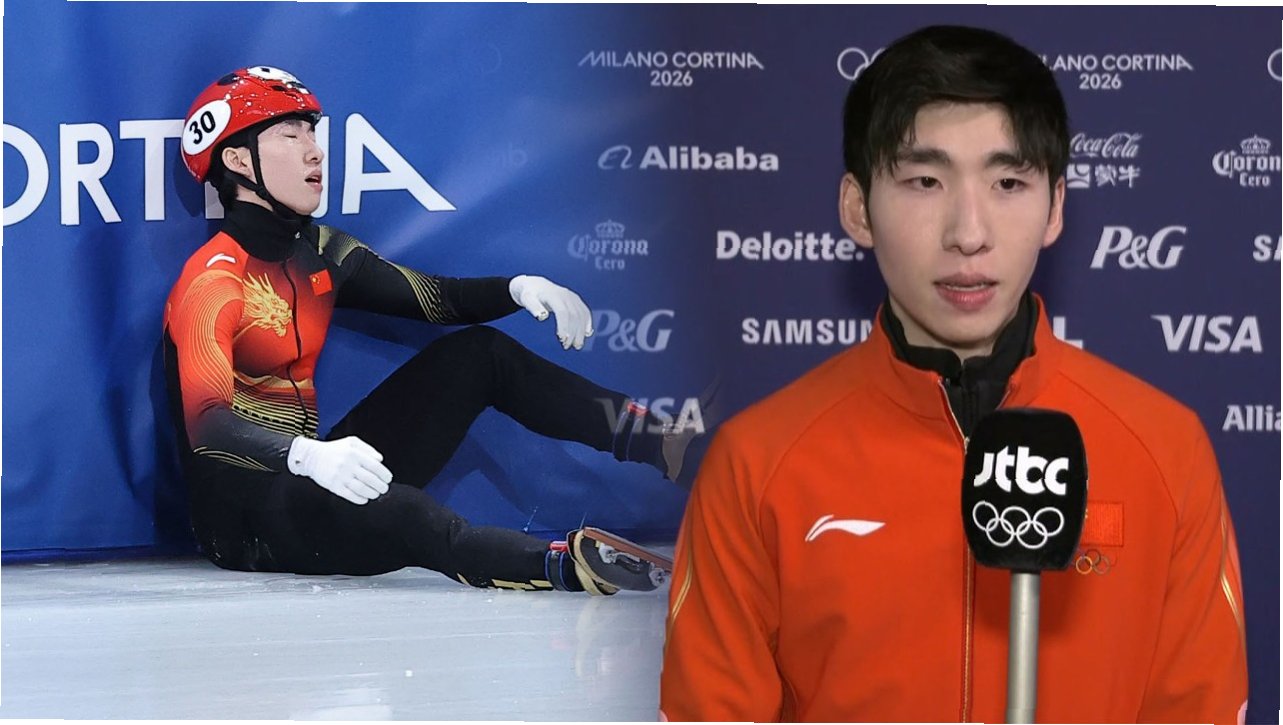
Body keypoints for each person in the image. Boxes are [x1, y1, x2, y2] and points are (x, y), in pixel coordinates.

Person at [659, 25, 1248, 722]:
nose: (968, 233)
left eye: (1008, 182)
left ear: (1055, 206)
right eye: (924, 181)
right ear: (857, 208)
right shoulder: (755, 465)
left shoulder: (1165, 450)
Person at [165, 66, 690, 595]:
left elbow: (437, 299)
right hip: (242, 519)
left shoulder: (322, 252)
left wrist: (517, 288)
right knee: (406, 512)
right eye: (290, 135)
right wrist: (309, 455)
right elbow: (207, 423)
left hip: (316, 471)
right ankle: (561, 565)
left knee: (480, 354)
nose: (315, 152)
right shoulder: (212, 280)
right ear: (238, 161)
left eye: (312, 133)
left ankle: (672, 446)